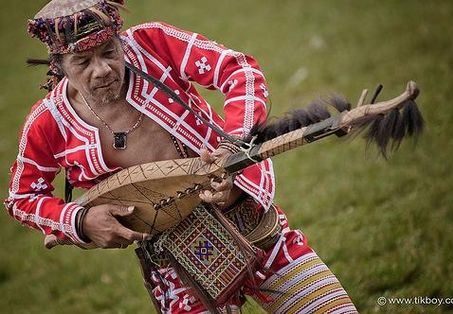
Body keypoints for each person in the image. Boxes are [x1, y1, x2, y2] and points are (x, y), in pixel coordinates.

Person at [5, 0, 358, 313]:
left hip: (250, 222)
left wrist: (232, 146)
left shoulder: (153, 44)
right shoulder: (47, 122)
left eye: (110, 52)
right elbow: (22, 198)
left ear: (121, 41)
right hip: (175, 269)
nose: (102, 70)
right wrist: (81, 221)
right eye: (82, 61)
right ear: (58, 67)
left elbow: (239, 71)